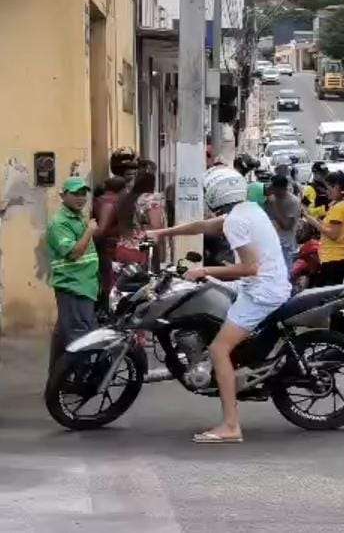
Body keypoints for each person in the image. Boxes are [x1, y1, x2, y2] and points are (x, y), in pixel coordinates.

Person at [145, 166, 291, 444]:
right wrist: (161, 233)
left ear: (214, 193)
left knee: (218, 348)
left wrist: (203, 270)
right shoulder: (248, 209)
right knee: (210, 293)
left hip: (261, 291)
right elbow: (203, 226)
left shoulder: (237, 220)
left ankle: (231, 425)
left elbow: (250, 268)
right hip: (265, 284)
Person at [47, 177, 100, 369]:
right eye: (75, 194)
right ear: (63, 196)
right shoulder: (60, 223)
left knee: (64, 335)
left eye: (83, 193)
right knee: (78, 337)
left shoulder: (77, 217)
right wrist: (90, 231)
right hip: (73, 286)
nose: (80, 198)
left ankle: (58, 380)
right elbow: (74, 253)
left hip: (84, 285)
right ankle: (77, 379)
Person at [301, 171, 344, 286]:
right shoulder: (342, 204)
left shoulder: (340, 207)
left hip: (334, 259)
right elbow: (329, 227)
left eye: (328, 188)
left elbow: (333, 234)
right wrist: (311, 217)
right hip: (338, 258)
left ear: (336, 187)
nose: (326, 192)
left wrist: (311, 220)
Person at [92, 175, 127, 315]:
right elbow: (101, 230)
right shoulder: (110, 203)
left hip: (107, 247)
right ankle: (106, 313)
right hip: (107, 248)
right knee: (108, 282)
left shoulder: (103, 201)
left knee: (108, 281)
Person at [265, 173, 301, 270]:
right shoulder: (270, 198)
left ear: (280, 188)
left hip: (285, 245)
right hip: (271, 243)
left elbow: (286, 226)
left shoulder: (293, 201)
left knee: (285, 273)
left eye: (273, 187)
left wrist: (274, 205)